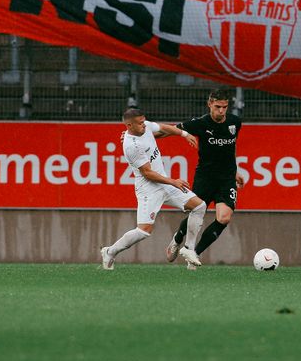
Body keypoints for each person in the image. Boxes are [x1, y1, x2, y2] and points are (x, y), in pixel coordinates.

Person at [100, 108, 206, 270]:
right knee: (144, 231)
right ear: (129, 125)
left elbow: (164, 128)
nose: (144, 125)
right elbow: (148, 173)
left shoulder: (145, 126)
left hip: (165, 183)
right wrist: (172, 181)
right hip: (149, 189)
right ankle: (110, 251)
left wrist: (184, 135)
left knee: (199, 206)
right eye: (140, 123)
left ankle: (189, 250)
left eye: (144, 121)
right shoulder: (131, 146)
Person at [163, 89, 244, 270]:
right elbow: (171, 130)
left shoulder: (235, 122)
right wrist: (142, 135)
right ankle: (177, 238)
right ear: (209, 105)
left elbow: (231, 148)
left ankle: (194, 253)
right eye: (217, 107)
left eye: (224, 107)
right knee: (196, 212)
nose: (221, 111)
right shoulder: (200, 123)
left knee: (224, 218)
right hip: (205, 177)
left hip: (226, 178)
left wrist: (235, 171)